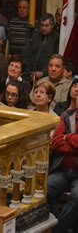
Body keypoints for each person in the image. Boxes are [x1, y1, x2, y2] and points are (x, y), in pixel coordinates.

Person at [47, 94, 78, 232]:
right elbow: (55, 143)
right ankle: (62, 228)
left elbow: (62, 141)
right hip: (62, 170)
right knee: (44, 190)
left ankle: (58, 230)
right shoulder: (66, 115)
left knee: (77, 197)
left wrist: (68, 137)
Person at [24, 13, 59, 80]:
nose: (43, 28)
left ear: (52, 25)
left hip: (47, 76)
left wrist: (43, 73)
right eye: (42, 25)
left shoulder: (57, 39)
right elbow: (28, 53)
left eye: (46, 26)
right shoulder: (35, 36)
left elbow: (56, 61)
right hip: (32, 74)